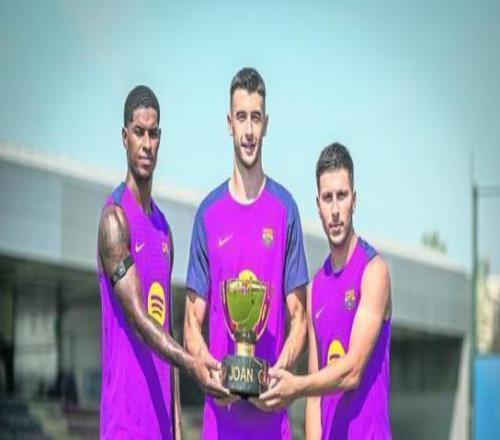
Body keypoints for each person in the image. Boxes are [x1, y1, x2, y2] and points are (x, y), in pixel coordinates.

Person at [184, 67, 309, 439]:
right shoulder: (208, 214)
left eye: (256, 117)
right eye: (242, 117)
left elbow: (299, 319)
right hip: (219, 425)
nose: (249, 130)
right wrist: (207, 370)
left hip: (273, 426)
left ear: (266, 124)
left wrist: (277, 376)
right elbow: (191, 323)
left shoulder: (285, 210)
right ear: (229, 123)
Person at [97, 85, 227, 439]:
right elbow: (139, 318)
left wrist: (177, 426)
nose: (146, 144)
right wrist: (192, 362)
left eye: (153, 134)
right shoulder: (114, 220)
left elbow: (165, 324)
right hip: (124, 422)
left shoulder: (163, 229)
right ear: (124, 137)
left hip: (161, 426)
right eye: (138, 132)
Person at [260, 143, 392, 439]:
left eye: (341, 196)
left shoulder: (374, 272)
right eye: (327, 198)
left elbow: (352, 371)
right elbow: (314, 401)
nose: (334, 210)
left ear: (354, 200)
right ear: (317, 205)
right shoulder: (316, 288)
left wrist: (296, 386)